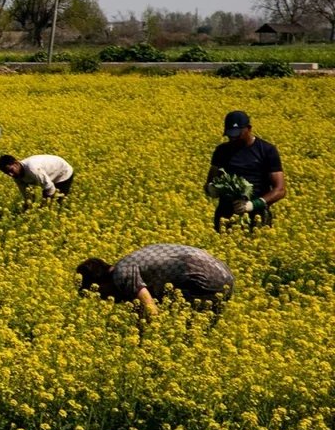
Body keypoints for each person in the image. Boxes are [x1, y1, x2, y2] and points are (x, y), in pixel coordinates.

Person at [77, 244, 233, 317]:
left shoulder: (121, 275)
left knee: (186, 331)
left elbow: (151, 310)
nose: (103, 299)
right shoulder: (128, 262)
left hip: (207, 283)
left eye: (97, 293)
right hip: (225, 275)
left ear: (99, 284)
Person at [207, 110, 284, 228]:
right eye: (230, 134)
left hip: (257, 216)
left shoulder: (266, 150)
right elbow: (210, 181)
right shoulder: (221, 151)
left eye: (237, 134)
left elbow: (280, 189)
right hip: (225, 217)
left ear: (249, 128)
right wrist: (210, 188)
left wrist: (254, 204)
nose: (233, 138)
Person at [0, 153, 74, 205]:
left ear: (16, 163)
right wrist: (28, 207)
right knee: (46, 202)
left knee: (57, 203)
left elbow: (50, 188)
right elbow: (27, 194)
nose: (10, 174)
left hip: (62, 173)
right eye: (6, 173)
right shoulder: (16, 175)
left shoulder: (33, 169)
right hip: (49, 175)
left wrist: (46, 206)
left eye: (11, 170)